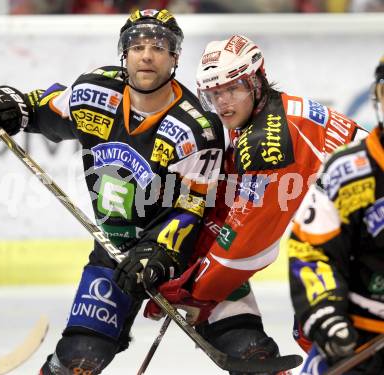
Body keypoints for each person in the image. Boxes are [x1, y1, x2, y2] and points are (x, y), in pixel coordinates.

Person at [0, 9, 225, 374]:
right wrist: (9, 106)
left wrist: (160, 251)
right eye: (137, 46)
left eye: (159, 47)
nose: (146, 55)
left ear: (175, 57)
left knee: (246, 344)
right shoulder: (96, 92)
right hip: (113, 249)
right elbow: (40, 108)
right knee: (78, 356)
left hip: (187, 256)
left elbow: (194, 206)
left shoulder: (197, 128)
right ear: (124, 53)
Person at [144, 34, 369, 373]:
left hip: (370, 229)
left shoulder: (267, 143)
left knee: (319, 323)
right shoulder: (267, 113)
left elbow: (251, 246)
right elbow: (233, 202)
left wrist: (196, 291)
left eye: (231, 89)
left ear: (256, 80)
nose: (223, 103)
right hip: (365, 225)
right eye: (214, 94)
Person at [287, 56, 384, 374]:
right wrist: (326, 314)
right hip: (358, 333)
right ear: (377, 96)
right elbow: (312, 250)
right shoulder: (348, 171)